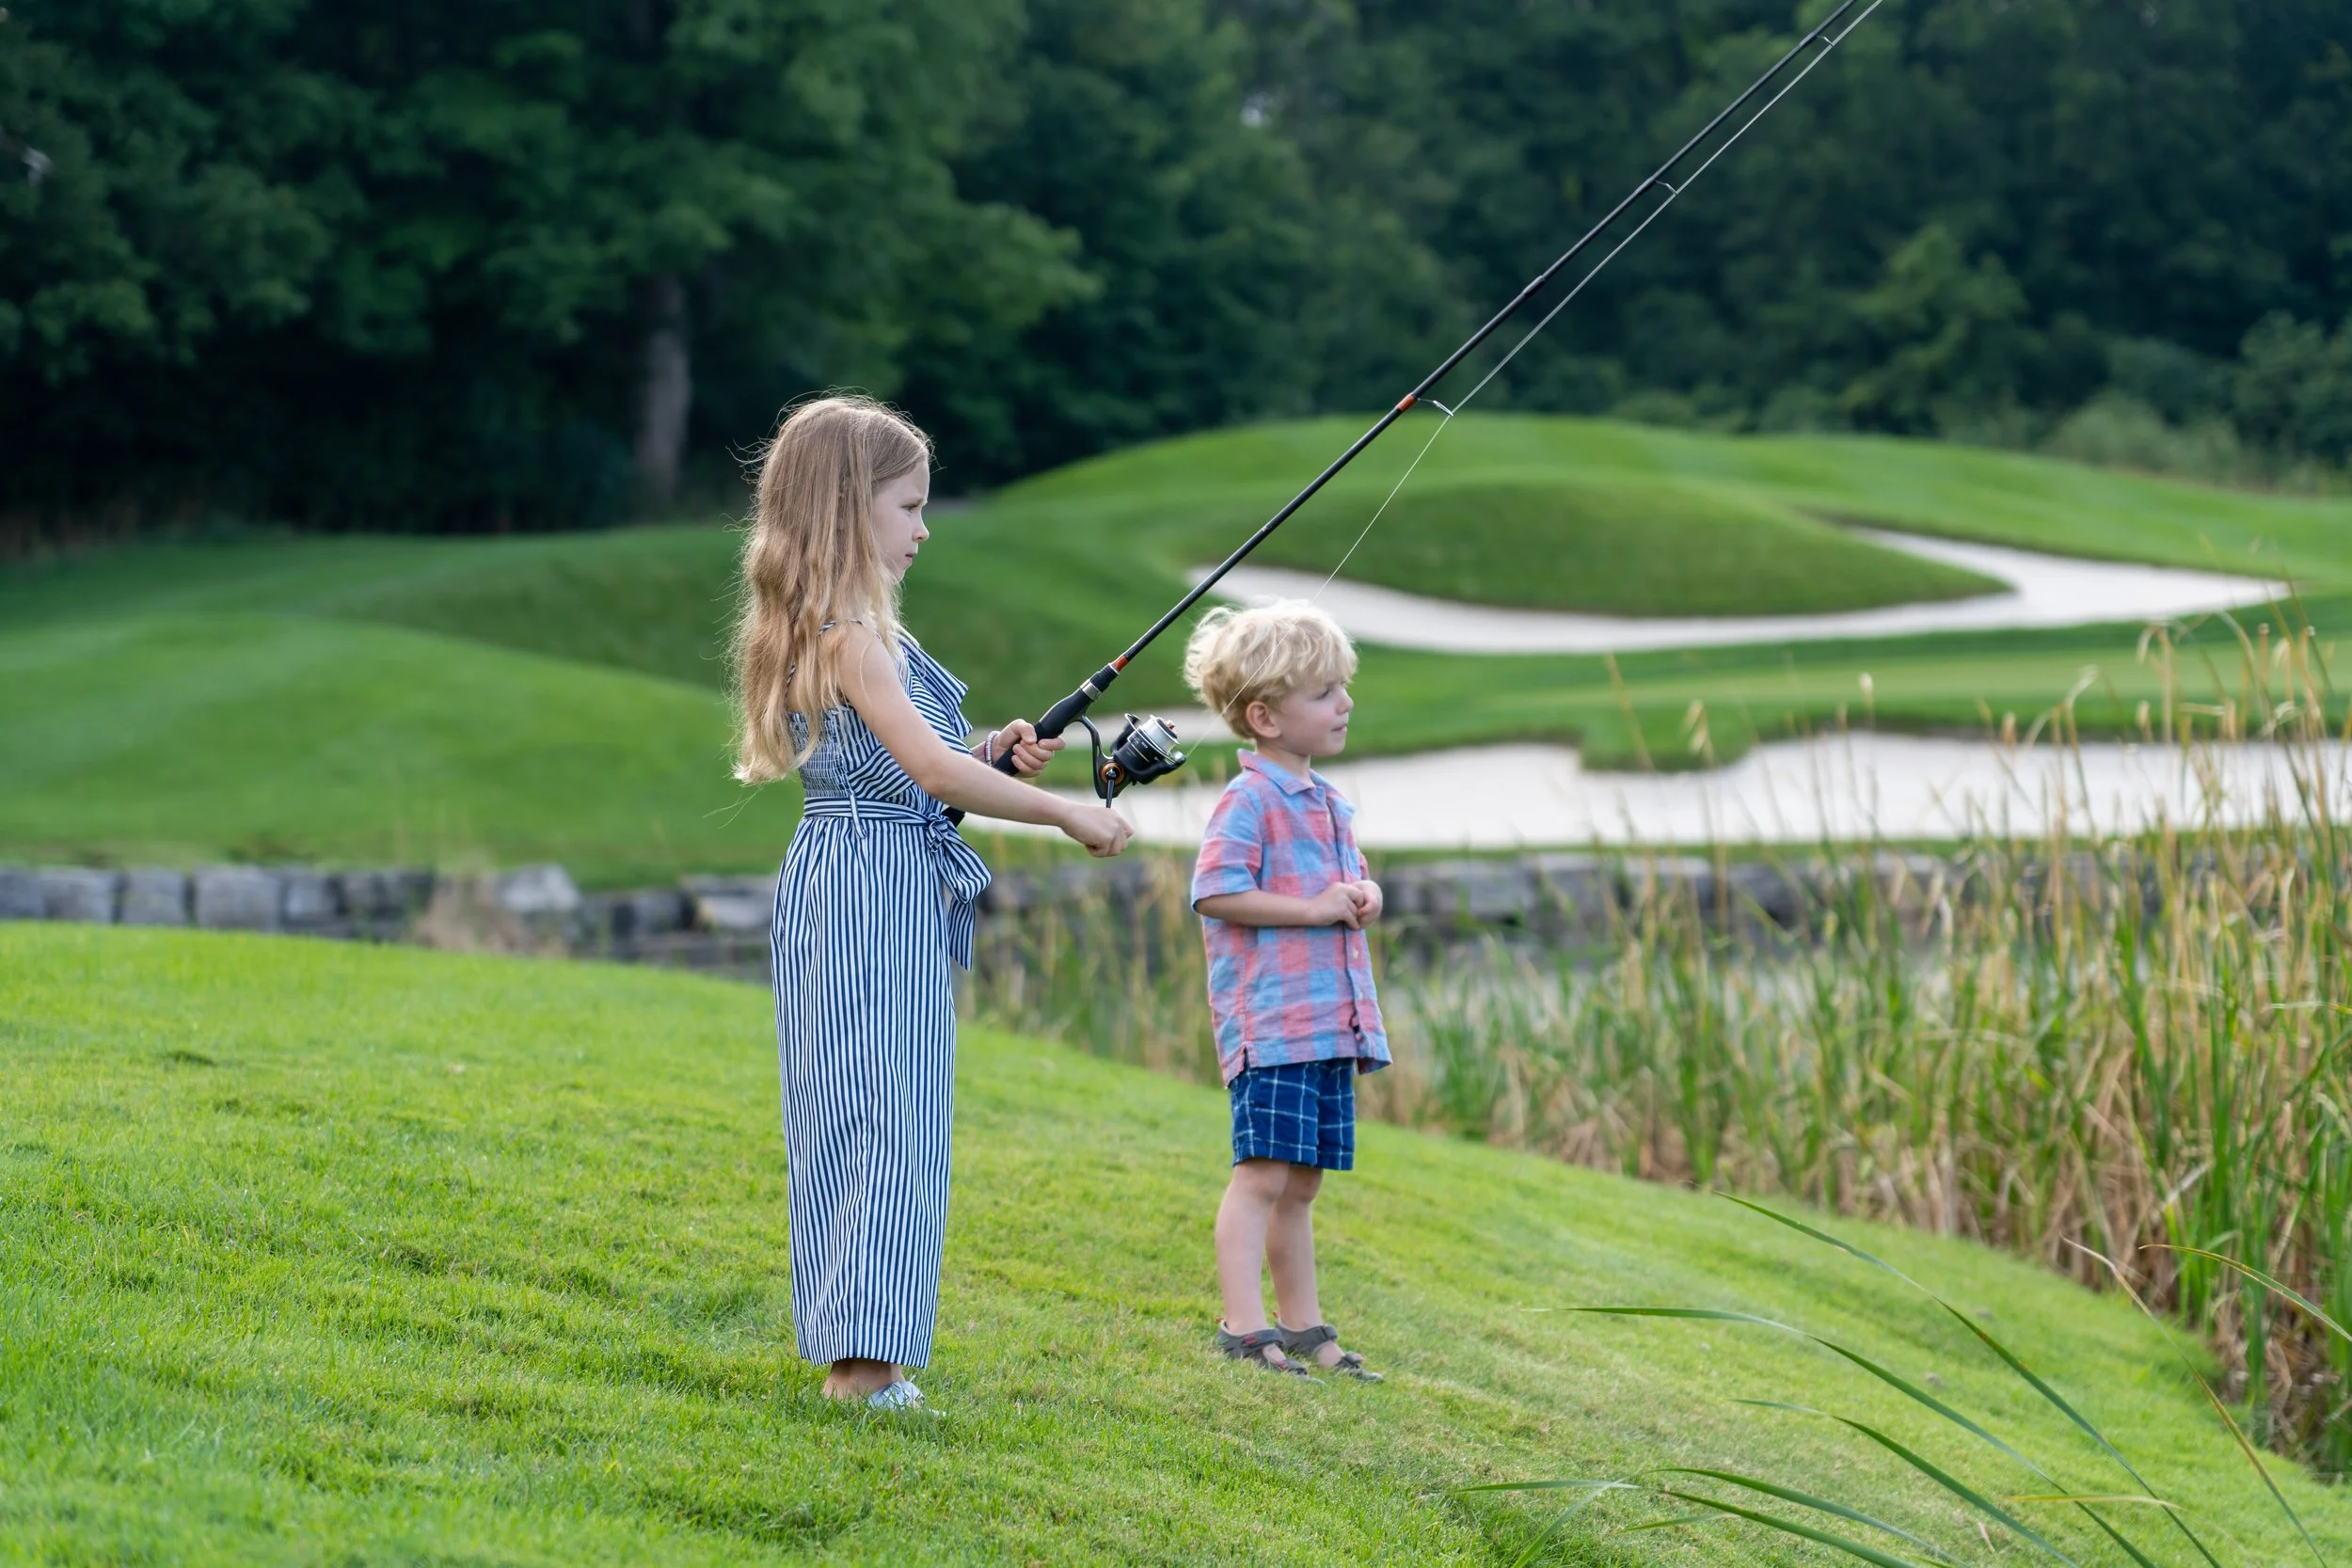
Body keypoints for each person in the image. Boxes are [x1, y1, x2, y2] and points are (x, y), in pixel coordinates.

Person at [732, 394, 1133, 1411]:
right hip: (873, 888)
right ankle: (863, 1367)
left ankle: (862, 1350)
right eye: (908, 506)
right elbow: (930, 775)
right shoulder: (853, 637)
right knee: (883, 1111)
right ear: (844, 508)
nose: (922, 528)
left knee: (858, 1105)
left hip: (855, 876)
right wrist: (1057, 808)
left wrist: (987, 753)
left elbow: (914, 765)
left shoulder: (827, 630)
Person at [1183, 600, 1389, 1381]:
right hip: (1272, 1026)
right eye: (1324, 692)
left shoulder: (1328, 800)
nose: (1345, 703)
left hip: (1328, 1025)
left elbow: (1342, 884)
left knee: (1302, 1180)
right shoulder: (1250, 800)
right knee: (1263, 1172)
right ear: (1264, 716)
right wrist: (1311, 908)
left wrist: (1364, 892)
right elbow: (1214, 890)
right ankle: (1243, 1324)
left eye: (1343, 687)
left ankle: (1303, 1325)